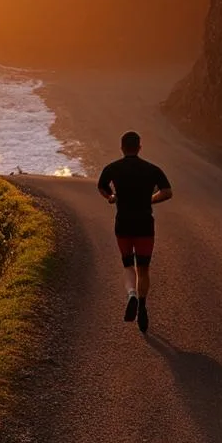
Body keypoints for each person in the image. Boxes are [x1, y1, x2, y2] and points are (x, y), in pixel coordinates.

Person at [97, 131, 172, 333]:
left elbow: (101, 186)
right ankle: (143, 304)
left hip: (123, 225)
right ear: (139, 147)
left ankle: (131, 294)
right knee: (144, 268)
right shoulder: (152, 169)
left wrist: (111, 196)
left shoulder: (113, 168)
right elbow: (167, 192)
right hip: (145, 225)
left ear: (122, 147)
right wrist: (150, 199)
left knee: (128, 264)